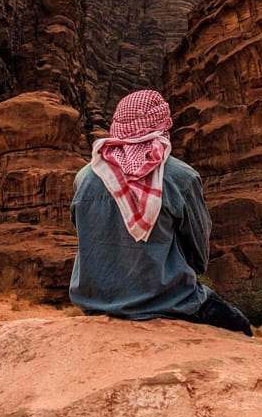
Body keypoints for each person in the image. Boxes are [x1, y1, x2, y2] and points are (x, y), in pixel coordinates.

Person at [69, 89, 252, 336]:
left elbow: (85, 237)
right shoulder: (182, 177)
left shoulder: (84, 178)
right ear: (163, 124)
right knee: (240, 327)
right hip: (168, 301)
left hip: (94, 303)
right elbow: (197, 254)